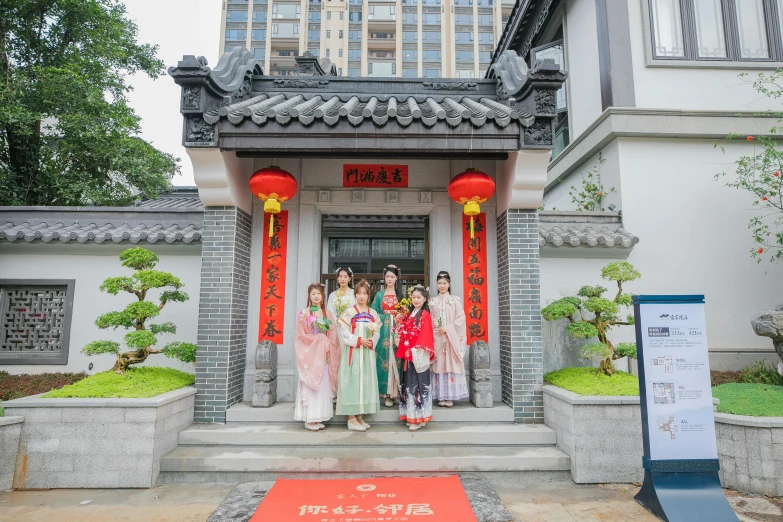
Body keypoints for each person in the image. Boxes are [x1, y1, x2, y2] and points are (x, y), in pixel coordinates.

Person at [336, 280, 381, 432]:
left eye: (364, 293)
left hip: (366, 354)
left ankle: (360, 415)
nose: (361, 296)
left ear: (369, 296)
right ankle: (351, 418)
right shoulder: (349, 312)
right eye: (358, 293)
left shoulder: (373, 313)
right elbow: (344, 332)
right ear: (355, 295)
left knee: (364, 383)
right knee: (352, 382)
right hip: (353, 352)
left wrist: (371, 341)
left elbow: (377, 332)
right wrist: (359, 340)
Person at [294, 283, 340, 431]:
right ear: (309, 296)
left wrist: (326, 342)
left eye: (318, 293)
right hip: (311, 354)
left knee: (322, 384)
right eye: (313, 293)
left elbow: (333, 333)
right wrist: (317, 340)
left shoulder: (327, 313)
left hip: (324, 355)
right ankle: (310, 419)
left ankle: (319, 416)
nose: (316, 296)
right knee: (312, 385)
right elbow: (301, 335)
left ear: (322, 296)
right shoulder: (305, 313)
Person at [395, 285, 435, 431]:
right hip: (408, 355)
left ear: (424, 299)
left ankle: (418, 418)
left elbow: (425, 336)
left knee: (417, 386)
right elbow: (402, 333)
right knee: (409, 385)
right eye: (413, 297)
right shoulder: (409, 314)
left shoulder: (425, 315)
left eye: (419, 297)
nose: (416, 300)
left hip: (417, 355)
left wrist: (413, 351)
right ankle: (412, 416)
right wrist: (399, 326)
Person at [429, 271, 468, 407]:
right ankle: (441, 396)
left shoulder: (455, 301)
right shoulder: (432, 302)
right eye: (439, 283)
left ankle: (450, 396)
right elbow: (430, 320)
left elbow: (461, 319)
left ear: (449, 284)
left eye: (444, 283)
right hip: (438, 339)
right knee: (439, 366)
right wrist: (437, 329)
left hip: (452, 340)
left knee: (450, 366)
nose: (442, 286)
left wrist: (448, 328)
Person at [371, 265, 403, 408]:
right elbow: (374, 314)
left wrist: (399, 319)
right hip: (383, 333)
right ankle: (384, 394)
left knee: (396, 361)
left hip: (396, 332)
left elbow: (405, 315)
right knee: (382, 362)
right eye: (387, 276)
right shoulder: (379, 295)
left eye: (392, 276)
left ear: (396, 278)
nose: (389, 279)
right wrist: (388, 318)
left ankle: (393, 394)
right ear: (384, 278)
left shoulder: (401, 296)